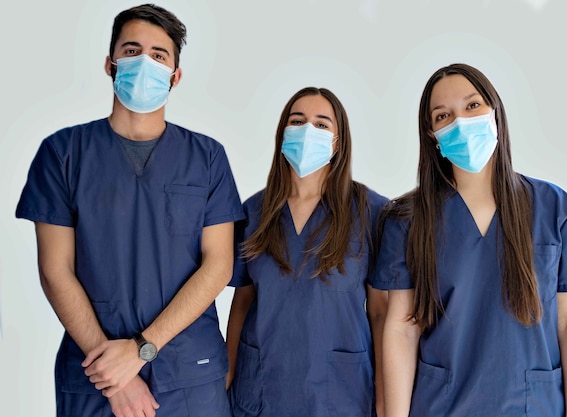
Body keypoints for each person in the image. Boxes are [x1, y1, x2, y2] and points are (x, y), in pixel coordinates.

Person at [15, 4, 243, 417]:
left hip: (189, 374)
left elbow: (218, 266)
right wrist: (113, 372)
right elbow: (55, 270)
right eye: (132, 50)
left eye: (159, 56)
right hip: (95, 375)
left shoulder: (207, 157)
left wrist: (140, 350)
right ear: (110, 64)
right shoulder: (63, 154)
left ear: (175, 75)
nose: (144, 63)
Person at [374, 63, 567, 417]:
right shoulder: (407, 221)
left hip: (534, 406)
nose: (461, 123)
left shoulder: (555, 208)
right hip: (441, 407)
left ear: (495, 112)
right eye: (443, 116)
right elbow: (402, 328)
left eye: (472, 106)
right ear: (432, 134)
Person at [225, 87, 388, 416]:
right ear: (282, 134)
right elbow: (241, 303)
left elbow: (381, 314)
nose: (307, 131)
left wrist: (387, 400)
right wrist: (227, 378)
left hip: (341, 393)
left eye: (322, 125)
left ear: (338, 142)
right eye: (297, 122)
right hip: (262, 388)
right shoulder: (254, 212)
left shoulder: (372, 213)